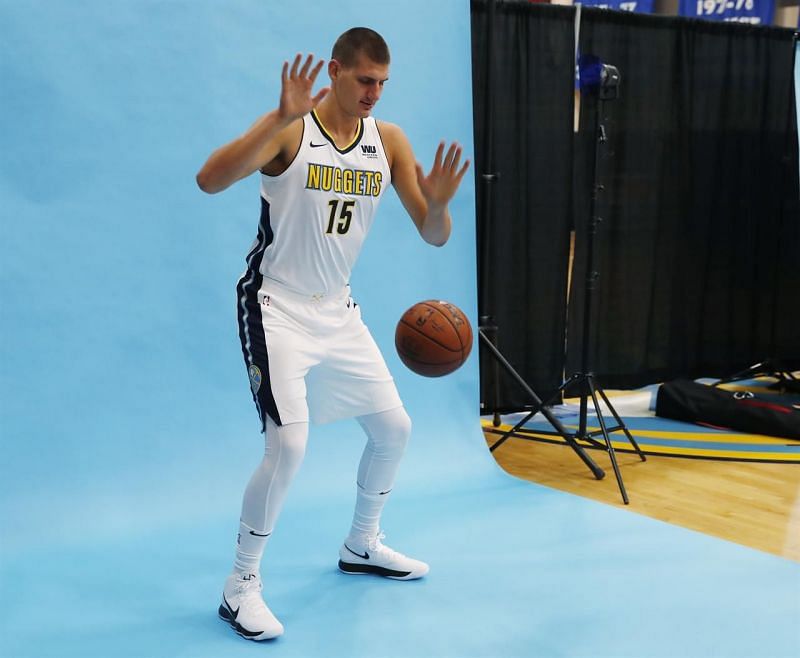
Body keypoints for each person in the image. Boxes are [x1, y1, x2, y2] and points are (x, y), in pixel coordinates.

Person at [196, 27, 469, 641]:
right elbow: (209, 180)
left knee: (394, 429)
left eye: (383, 84)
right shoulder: (293, 130)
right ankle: (240, 587)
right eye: (365, 80)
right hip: (276, 307)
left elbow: (434, 235)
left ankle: (361, 543)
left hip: (338, 313)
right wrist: (276, 116)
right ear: (336, 71)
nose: (374, 93)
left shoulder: (387, 140)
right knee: (288, 446)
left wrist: (440, 204)